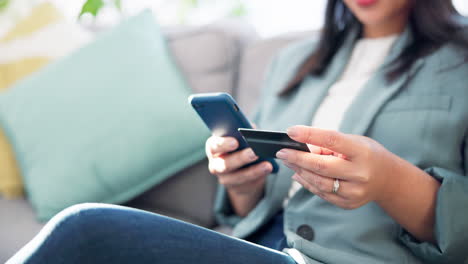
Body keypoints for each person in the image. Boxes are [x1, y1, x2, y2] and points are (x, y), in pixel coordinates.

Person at [7, 0, 468, 263]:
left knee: (86, 229)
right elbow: (249, 205)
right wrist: (239, 182)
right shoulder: (294, 62)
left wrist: (389, 181)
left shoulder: (461, 60)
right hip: (250, 246)